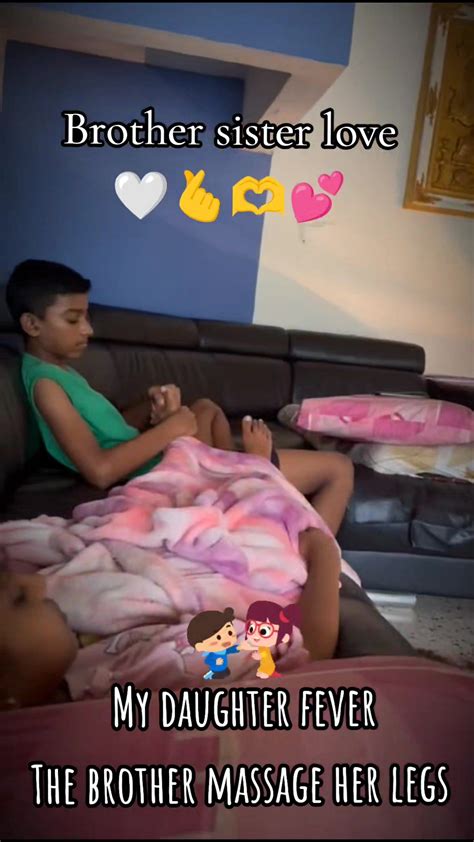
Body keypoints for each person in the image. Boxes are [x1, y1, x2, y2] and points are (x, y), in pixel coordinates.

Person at [5, 259, 354, 533]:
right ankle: (269, 499)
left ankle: (240, 471)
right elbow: (99, 470)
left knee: (204, 408)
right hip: (163, 474)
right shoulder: (46, 386)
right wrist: (170, 430)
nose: (88, 329)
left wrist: (149, 407)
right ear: (32, 325)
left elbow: (107, 430)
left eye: (86, 317)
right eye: (73, 320)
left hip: (165, 460)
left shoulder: (63, 372)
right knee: (339, 468)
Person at [0, 526, 342, 710]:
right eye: (18, 600)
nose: (35, 588)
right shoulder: (164, 672)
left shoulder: (61, 671)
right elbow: (311, 656)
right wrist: (326, 558)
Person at [186, 607, 241, 680]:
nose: (226, 640)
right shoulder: (212, 653)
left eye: (230, 633)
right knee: (218, 675)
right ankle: (210, 675)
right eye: (218, 637)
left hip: (224, 667)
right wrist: (215, 662)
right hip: (217, 669)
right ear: (200, 646)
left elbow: (230, 650)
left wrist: (239, 647)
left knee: (226, 673)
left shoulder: (223, 650)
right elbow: (208, 660)